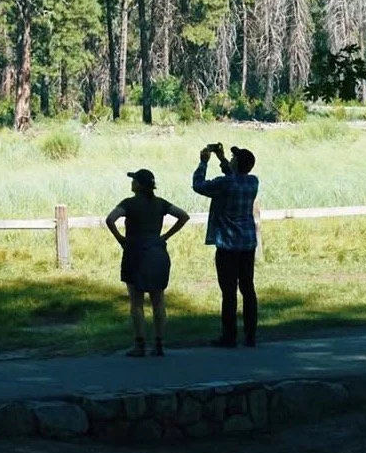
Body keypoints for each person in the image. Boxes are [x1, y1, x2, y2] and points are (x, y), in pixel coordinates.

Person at [105, 169, 190, 357]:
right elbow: (183, 215)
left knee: (136, 302)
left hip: (135, 252)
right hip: (157, 252)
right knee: (158, 300)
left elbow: (110, 219)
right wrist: (165, 236)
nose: (132, 182)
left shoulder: (128, 203)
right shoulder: (160, 203)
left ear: (139, 185)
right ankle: (159, 343)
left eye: (134, 180)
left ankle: (140, 344)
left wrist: (120, 238)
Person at [192, 143, 259, 348]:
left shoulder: (224, 184)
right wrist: (222, 159)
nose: (230, 161)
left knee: (229, 291)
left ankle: (229, 336)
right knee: (247, 288)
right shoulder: (253, 182)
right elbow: (234, 177)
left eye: (233, 159)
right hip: (247, 243)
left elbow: (199, 185)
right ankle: (250, 335)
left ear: (237, 163)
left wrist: (203, 162)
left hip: (227, 245)